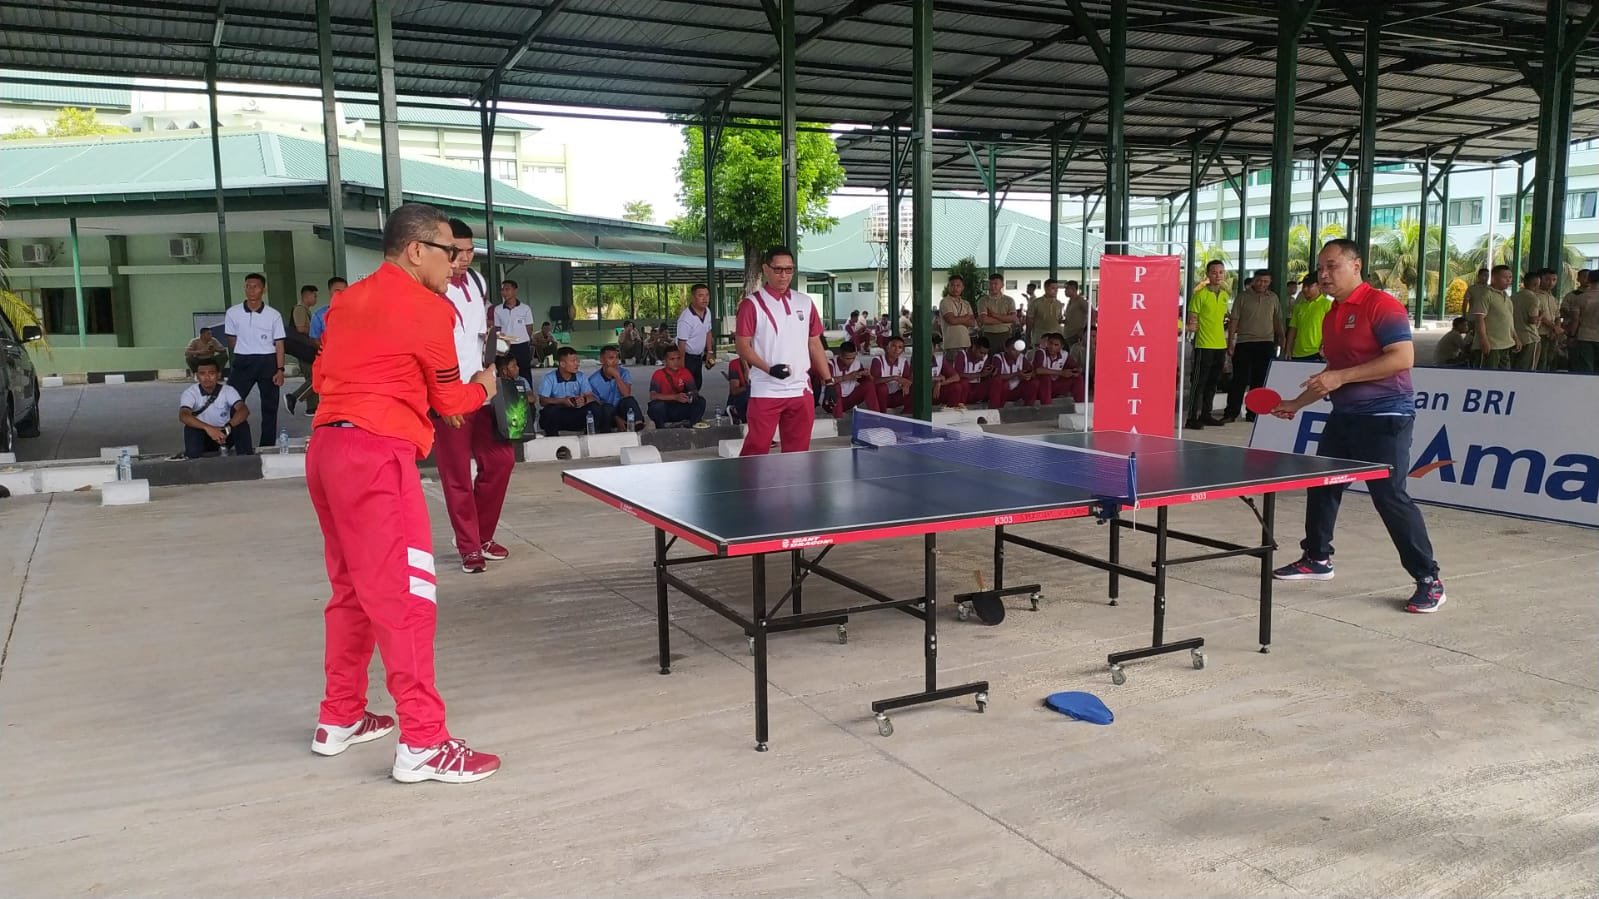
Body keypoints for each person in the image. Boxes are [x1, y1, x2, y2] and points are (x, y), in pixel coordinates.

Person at [307, 201, 502, 783]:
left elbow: (322, 377)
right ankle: (423, 741)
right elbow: (450, 403)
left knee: (350, 589)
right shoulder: (426, 307)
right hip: (377, 457)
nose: (456, 265)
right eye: (449, 253)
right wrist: (486, 386)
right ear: (417, 250)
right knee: (406, 597)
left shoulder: (348, 301)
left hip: (328, 450)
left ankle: (338, 716)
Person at [1269, 238, 1445, 614]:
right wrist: (1296, 404)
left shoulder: (1382, 305)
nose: (1324, 274)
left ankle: (1429, 578)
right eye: (1321, 268)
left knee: (1390, 497)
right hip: (1345, 417)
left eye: (1332, 266)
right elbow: (1335, 375)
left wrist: (1340, 377)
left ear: (1356, 265)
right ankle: (1317, 558)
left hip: (1386, 417)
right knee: (1322, 485)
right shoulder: (1332, 315)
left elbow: (1402, 358)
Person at [433, 219, 515, 576]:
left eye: (469, 251)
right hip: (448, 393)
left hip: (483, 387)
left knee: (500, 461)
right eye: (457, 251)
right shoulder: (431, 287)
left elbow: (479, 331)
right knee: (456, 476)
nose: (464, 258)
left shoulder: (478, 281)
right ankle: (470, 547)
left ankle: (479, 535)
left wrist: (496, 350)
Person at [734, 245, 832, 455]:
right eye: (778, 269)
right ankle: (747, 488)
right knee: (756, 450)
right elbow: (742, 346)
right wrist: (769, 369)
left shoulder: (805, 302)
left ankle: (793, 488)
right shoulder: (751, 305)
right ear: (765, 269)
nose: (783, 275)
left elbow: (814, 343)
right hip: (766, 389)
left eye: (789, 270)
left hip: (800, 389)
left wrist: (828, 380)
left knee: (798, 453)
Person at [223, 272, 286, 447]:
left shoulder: (274, 315)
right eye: (248, 286)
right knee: (231, 402)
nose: (251, 290)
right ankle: (229, 441)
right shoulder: (233, 313)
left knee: (269, 406)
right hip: (243, 362)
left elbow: (279, 343)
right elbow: (232, 339)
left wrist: (280, 369)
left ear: (263, 290)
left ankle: (267, 444)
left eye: (256, 286)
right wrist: (245, 349)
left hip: (268, 361)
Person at [1224, 269, 1284, 423]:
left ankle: (1254, 412)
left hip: (1266, 343)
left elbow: (1277, 320)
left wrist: (1281, 339)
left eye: (1265, 281)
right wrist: (1230, 342)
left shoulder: (1273, 298)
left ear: (1269, 282)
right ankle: (1232, 412)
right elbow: (1234, 320)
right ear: (1253, 280)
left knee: (1260, 380)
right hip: (1244, 342)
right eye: (1259, 280)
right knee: (1239, 379)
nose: (1261, 284)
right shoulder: (1242, 297)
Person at [1185, 260, 1230, 429]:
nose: (1218, 275)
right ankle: (1191, 418)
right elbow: (1192, 319)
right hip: (1203, 345)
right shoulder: (1200, 295)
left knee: (1213, 382)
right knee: (1199, 383)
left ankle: (1206, 414)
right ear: (1208, 275)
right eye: (1214, 272)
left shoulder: (1225, 295)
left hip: (1220, 345)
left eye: (1221, 272)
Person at [179, 358, 252, 457]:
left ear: (218, 375)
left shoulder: (228, 390)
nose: (207, 377)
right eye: (202, 374)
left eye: (211, 373)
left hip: (224, 434)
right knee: (190, 428)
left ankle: (246, 460)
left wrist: (228, 427)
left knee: (242, 424)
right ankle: (194, 460)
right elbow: (183, 415)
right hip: (203, 435)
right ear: (197, 376)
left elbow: (244, 410)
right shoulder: (190, 393)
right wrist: (209, 428)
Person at [537, 347, 605, 436]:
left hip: (576, 413)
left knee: (595, 408)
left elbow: (590, 396)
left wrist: (583, 400)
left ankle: (589, 439)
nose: (577, 364)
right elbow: (542, 401)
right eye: (573, 361)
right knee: (549, 411)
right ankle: (553, 441)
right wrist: (562, 401)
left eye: (577, 360)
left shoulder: (581, 376)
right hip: (559, 415)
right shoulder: (549, 378)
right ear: (562, 364)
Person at [1468, 264, 1517, 369]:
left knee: (1504, 377)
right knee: (1487, 377)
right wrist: (1483, 340)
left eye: (1510, 277)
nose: (1508, 280)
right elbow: (1479, 319)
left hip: (1506, 344)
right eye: (1505, 278)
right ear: (1494, 278)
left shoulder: (1506, 296)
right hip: (1491, 345)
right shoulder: (1486, 295)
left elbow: (1509, 320)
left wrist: (1515, 337)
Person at [589, 344, 643, 432]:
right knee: (606, 408)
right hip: (607, 415)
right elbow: (597, 405)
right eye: (611, 358)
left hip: (622, 411)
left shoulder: (624, 373)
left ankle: (637, 424)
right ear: (602, 360)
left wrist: (617, 376)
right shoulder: (593, 380)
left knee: (629, 400)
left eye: (617, 358)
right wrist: (616, 418)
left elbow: (626, 394)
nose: (615, 361)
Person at [648, 346, 706, 428]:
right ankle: (661, 427)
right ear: (665, 361)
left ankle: (692, 425)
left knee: (700, 401)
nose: (676, 362)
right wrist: (675, 397)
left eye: (678, 358)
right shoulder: (658, 374)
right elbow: (653, 396)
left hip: (681, 405)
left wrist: (689, 395)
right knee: (656, 406)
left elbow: (694, 391)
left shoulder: (685, 372)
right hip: (666, 408)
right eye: (672, 359)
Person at [284, 284, 320, 415]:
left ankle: (312, 407)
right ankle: (293, 397)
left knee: (312, 377)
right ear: (306, 296)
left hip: (305, 347)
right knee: (316, 378)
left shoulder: (306, 310)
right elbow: (300, 328)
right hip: (304, 347)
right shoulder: (300, 309)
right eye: (314, 295)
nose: (316, 299)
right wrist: (316, 331)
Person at [676, 283, 715, 394]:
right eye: (700, 295)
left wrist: (709, 351)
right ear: (693, 297)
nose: (705, 299)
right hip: (687, 356)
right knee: (686, 386)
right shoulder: (686, 318)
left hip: (699, 356)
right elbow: (681, 344)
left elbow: (708, 331)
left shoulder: (707, 311)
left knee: (697, 383)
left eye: (707, 295)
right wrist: (681, 367)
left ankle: (693, 406)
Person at [1284, 274, 1331, 362]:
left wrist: (1324, 346)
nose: (1305, 289)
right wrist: (1288, 349)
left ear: (1319, 286)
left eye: (1309, 286)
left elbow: (1331, 329)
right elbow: (1293, 328)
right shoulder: (1299, 306)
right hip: (1297, 353)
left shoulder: (1327, 305)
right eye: (1304, 286)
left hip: (1316, 352)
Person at [494, 280, 535, 374]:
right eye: (502, 290)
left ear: (515, 290)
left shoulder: (525, 309)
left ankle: (527, 388)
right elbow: (498, 329)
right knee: (505, 371)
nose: (504, 292)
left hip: (522, 345)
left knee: (524, 371)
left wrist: (523, 340)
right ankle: (508, 389)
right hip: (505, 346)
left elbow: (529, 328)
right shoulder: (498, 309)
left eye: (507, 289)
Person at [827, 340, 875, 420]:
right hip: (830, 403)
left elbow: (869, 383)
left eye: (853, 357)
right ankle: (839, 419)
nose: (851, 361)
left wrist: (868, 374)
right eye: (848, 358)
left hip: (848, 401)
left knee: (868, 385)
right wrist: (846, 377)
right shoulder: (831, 364)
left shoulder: (857, 364)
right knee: (836, 386)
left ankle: (876, 415)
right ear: (840, 356)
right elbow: (824, 381)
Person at [1508, 272, 1546, 371]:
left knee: (1514, 367)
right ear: (1536, 284)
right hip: (1530, 338)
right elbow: (1532, 320)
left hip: (1514, 337)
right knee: (1528, 369)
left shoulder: (1513, 297)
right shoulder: (1534, 299)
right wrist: (1541, 316)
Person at [1030, 332, 1081, 406]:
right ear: (1047, 343)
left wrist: (1076, 371)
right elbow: (1038, 370)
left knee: (1078, 378)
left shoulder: (1065, 354)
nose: (1052, 347)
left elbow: (1076, 367)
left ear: (1061, 346)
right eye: (1050, 343)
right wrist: (1061, 373)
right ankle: (1047, 407)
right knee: (1045, 378)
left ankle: (1081, 405)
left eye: (1056, 345)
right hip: (1040, 388)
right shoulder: (1041, 352)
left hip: (1055, 385)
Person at [945, 336, 992, 410]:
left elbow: (985, 375)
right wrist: (980, 374)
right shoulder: (962, 355)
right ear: (974, 347)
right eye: (981, 353)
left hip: (976, 390)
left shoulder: (985, 358)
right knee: (963, 382)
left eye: (985, 354)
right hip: (964, 390)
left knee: (992, 381)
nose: (983, 356)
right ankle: (960, 406)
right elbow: (958, 375)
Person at [985, 338, 1032, 410]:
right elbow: (996, 377)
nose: (1017, 352)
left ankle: (1029, 409)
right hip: (1002, 392)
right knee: (999, 382)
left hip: (1016, 390)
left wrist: (1027, 375)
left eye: (1018, 350)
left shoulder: (1021, 357)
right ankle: (995, 409)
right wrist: (1016, 374)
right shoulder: (998, 357)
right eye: (1013, 350)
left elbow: (1031, 371)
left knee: (1034, 383)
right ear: (1006, 349)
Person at [977, 273, 1017, 354]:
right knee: (989, 360)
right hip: (988, 334)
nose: (993, 286)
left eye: (995, 284)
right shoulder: (982, 300)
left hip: (1005, 334)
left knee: (1005, 359)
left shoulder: (1009, 300)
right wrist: (1005, 320)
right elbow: (984, 320)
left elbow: (1012, 318)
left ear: (1002, 285)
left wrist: (994, 315)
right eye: (991, 284)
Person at [872, 335, 912, 413]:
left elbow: (907, 379)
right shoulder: (878, 360)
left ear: (902, 350)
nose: (896, 349)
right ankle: (882, 413)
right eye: (893, 346)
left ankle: (907, 413)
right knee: (881, 387)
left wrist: (906, 384)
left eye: (900, 347)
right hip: (880, 398)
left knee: (914, 387)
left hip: (896, 397)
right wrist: (894, 377)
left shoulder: (903, 361)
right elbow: (874, 381)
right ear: (887, 347)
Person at [938, 274, 976, 353]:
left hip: (966, 343)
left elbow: (972, 323)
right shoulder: (945, 302)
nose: (955, 288)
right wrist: (966, 318)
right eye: (952, 285)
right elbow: (951, 320)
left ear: (962, 288)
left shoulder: (966, 303)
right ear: (948, 287)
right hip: (951, 344)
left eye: (958, 285)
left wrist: (958, 319)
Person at [308, 276, 346, 348]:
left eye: (344, 290)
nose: (341, 293)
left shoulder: (354, 312)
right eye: (337, 290)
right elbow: (315, 339)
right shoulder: (318, 315)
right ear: (329, 292)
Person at [1027, 279, 1064, 348]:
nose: (1056, 290)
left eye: (1057, 288)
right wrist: (1028, 334)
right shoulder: (1036, 303)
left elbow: (1058, 319)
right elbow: (1029, 320)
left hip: (1055, 338)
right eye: (1053, 288)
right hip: (1040, 337)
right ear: (1046, 288)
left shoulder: (1059, 304)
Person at [927, 332, 958, 408]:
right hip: (921, 394)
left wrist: (939, 383)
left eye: (929, 347)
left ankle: (951, 410)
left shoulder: (939, 358)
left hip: (935, 393)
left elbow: (956, 377)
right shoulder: (915, 359)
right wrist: (937, 379)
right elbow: (914, 379)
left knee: (957, 387)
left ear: (934, 348)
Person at [725, 355, 750, 424]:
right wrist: (745, 368)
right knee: (750, 391)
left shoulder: (763, 364)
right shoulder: (735, 364)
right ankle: (734, 412)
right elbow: (734, 391)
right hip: (740, 398)